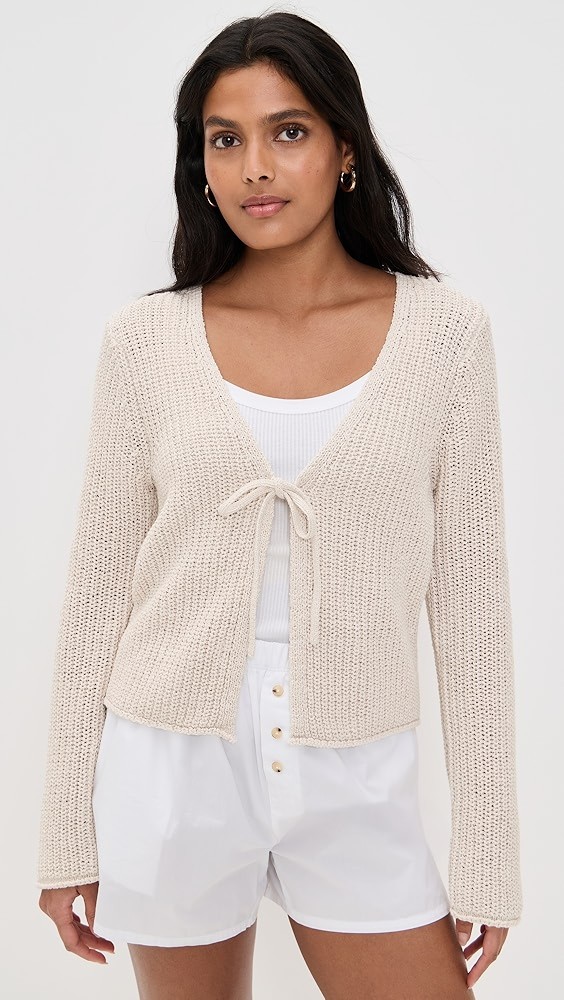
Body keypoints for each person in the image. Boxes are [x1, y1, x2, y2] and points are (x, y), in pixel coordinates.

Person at [36, 10, 522, 999]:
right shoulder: (145, 344)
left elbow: (471, 608)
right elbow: (95, 598)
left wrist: (489, 854)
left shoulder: (445, 337)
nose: (255, 166)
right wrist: (64, 835)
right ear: (202, 167)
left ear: (345, 150)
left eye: (288, 131)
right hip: (170, 766)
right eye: (226, 139)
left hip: (359, 770)